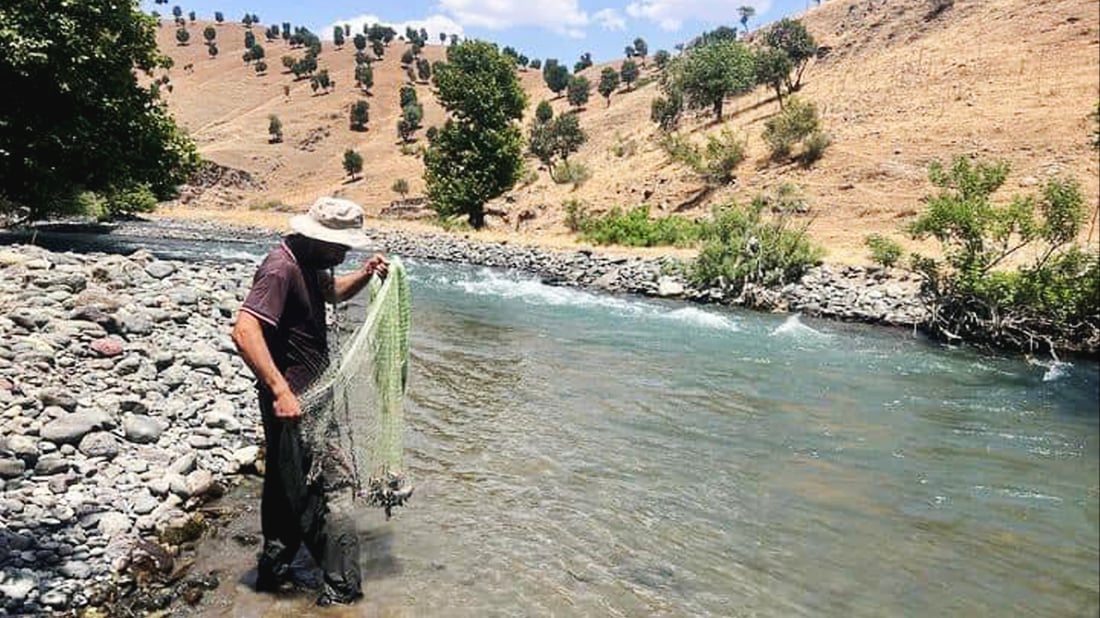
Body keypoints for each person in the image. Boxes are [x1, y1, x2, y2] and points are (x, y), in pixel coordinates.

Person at [231, 197, 388, 606]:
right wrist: (281, 391)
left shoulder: (311, 263)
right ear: (314, 237)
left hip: (309, 397)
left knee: (286, 486)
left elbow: (332, 293)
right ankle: (342, 593)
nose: (344, 251)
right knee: (333, 488)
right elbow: (245, 331)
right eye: (339, 245)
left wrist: (366, 274)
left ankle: (273, 574)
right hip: (295, 402)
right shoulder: (280, 268)